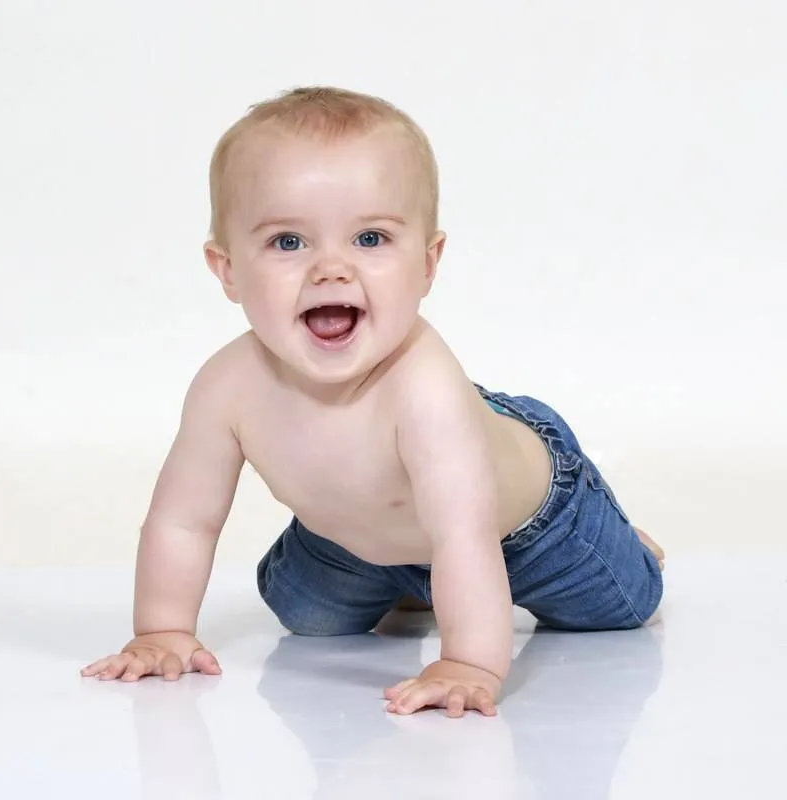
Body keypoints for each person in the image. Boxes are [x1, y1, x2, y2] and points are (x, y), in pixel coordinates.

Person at [82, 86, 665, 718]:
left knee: (620, 607)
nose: (331, 269)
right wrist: (162, 629)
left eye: (370, 239)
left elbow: (463, 535)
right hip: (358, 540)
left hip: (521, 527)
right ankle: (416, 588)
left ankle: (615, 532)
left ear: (427, 263)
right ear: (226, 270)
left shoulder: (424, 387)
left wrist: (467, 661)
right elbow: (184, 521)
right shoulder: (228, 386)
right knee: (303, 613)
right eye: (287, 242)